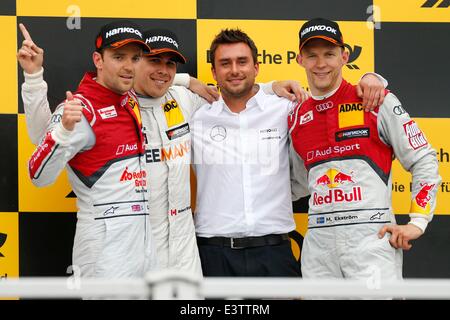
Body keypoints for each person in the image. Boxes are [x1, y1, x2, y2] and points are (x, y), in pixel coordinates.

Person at [289, 18, 441, 282]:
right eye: (311, 55)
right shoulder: (295, 117)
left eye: (329, 54)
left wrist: (418, 221)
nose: (321, 64)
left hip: (371, 239)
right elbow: (298, 186)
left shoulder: (375, 99)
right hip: (319, 244)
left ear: (345, 56)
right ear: (300, 59)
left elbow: (424, 159)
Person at [25, 20, 158, 278]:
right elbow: (37, 175)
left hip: (142, 241)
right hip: (105, 248)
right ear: (98, 60)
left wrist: (190, 82)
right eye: (119, 57)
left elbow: (163, 80)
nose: (129, 67)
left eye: (135, 58)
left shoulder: (127, 97)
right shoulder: (80, 109)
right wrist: (62, 129)